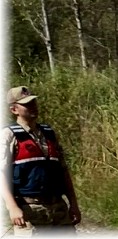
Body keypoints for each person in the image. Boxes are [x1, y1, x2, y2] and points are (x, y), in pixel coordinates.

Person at [1, 87, 81, 235]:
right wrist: (12, 207)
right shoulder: (8, 135)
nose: (33, 106)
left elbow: (63, 171)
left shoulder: (49, 133)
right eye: (27, 104)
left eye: (33, 102)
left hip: (58, 207)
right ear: (14, 109)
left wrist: (74, 204)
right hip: (30, 209)